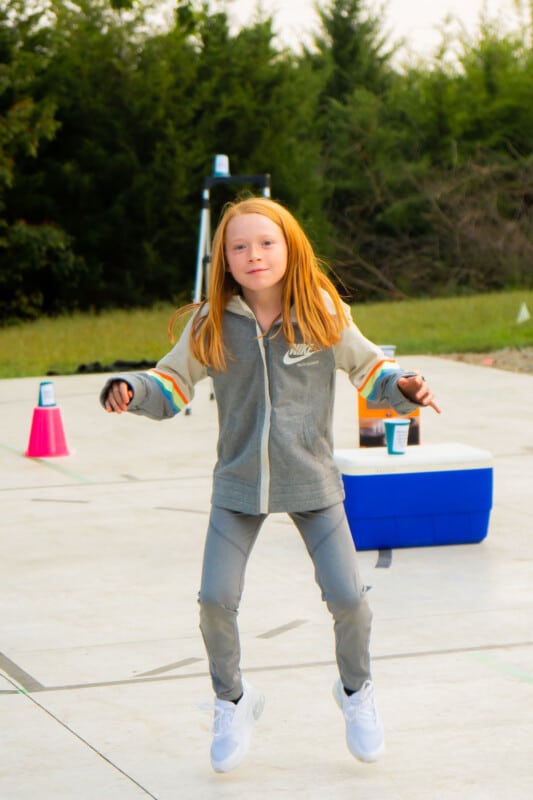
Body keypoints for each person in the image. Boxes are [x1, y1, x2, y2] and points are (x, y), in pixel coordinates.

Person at [101, 196, 440, 773]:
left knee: (349, 602)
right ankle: (233, 701)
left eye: (266, 243)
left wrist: (402, 387)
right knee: (214, 600)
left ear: (289, 248)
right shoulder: (212, 321)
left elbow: (369, 368)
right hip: (238, 486)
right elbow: (172, 382)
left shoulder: (320, 309)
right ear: (224, 260)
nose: (253, 255)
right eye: (239, 247)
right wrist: (133, 389)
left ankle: (356, 692)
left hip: (312, 482)